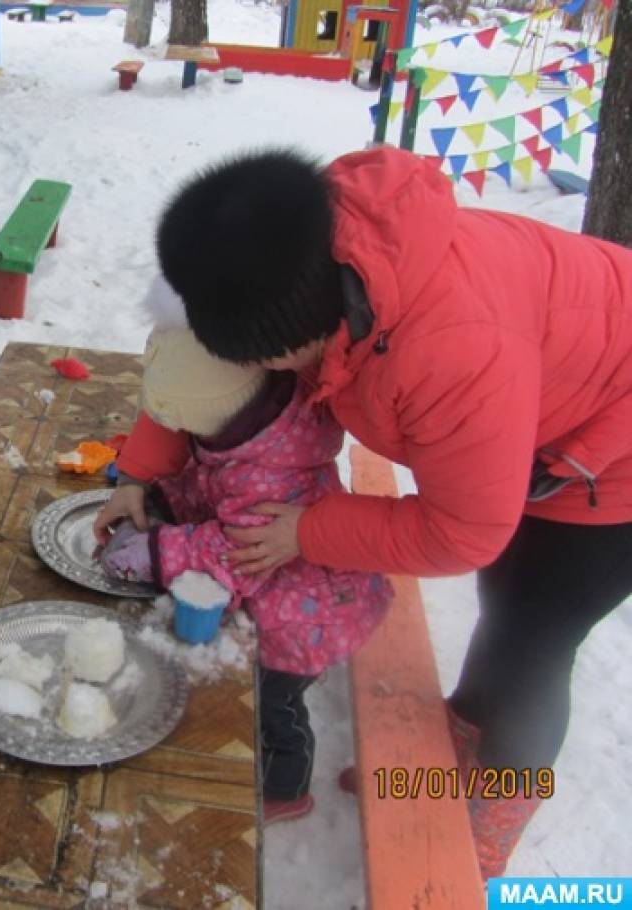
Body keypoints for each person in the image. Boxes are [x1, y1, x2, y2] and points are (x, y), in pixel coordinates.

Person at [96, 145, 632, 878]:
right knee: (505, 609)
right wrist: (138, 470)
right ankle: (448, 764)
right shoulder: (281, 258)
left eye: (271, 365)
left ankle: (487, 822)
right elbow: (193, 382)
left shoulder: (447, 352)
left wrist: (307, 532)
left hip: (612, 448)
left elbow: (462, 530)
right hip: (533, 401)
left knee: (532, 639)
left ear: (306, 337)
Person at [98, 309, 392, 823]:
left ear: (214, 418)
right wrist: (141, 481)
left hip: (306, 618)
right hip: (287, 584)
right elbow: (204, 474)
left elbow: (231, 549)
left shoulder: (270, 478)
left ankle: (287, 785)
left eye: (184, 424)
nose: (180, 432)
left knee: (274, 703)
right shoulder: (252, 414)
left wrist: (153, 552)